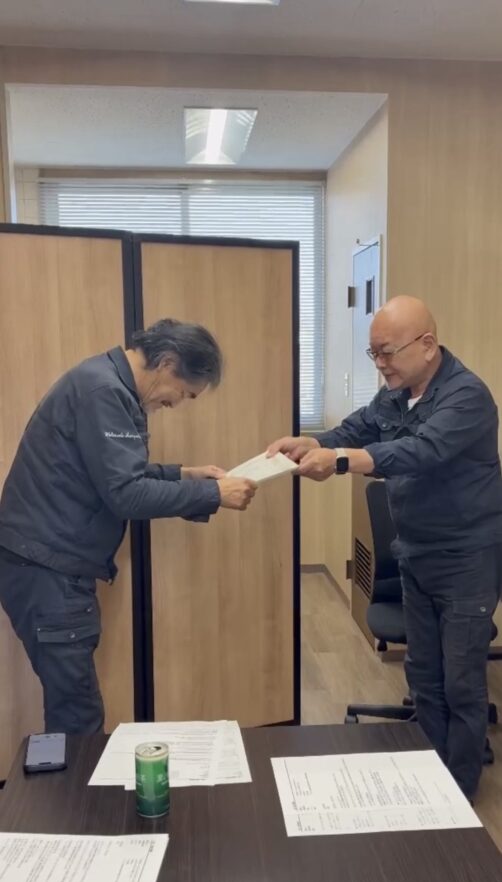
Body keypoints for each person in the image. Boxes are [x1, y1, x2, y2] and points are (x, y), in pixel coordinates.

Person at [269, 295, 502, 800]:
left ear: (427, 344)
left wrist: (341, 459)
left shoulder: (467, 397)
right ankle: (432, 775)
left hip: (466, 561)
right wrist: (314, 442)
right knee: (424, 676)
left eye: (387, 352)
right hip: (416, 553)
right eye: (373, 353)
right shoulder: (397, 394)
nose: (380, 364)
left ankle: (458, 793)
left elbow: (420, 451)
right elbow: (358, 427)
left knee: (461, 684)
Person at [0, 318, 256, 735]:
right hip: (47, 572)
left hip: (45, 565)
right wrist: (213, 494)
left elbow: (111, 472)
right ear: (167, 362)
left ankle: (72, 778)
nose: (177, 404)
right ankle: (75, 782)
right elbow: (126, 494)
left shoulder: (104, 382)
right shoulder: (105, 392)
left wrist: (182, 475)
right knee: (77, 713)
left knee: (73, 705)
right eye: (184, 393)